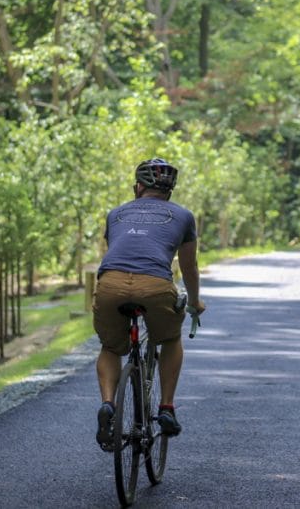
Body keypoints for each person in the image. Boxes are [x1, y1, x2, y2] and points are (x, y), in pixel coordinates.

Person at [93, 158, 206, 450]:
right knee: (169, 337)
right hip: (155, 284)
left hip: (110, 283)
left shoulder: (115, 214)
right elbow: (189, 267)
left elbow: (120, 252)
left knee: (110, 347)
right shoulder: (183, 215)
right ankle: (166, 408)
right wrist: (194, 302)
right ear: (169, 191)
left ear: (138, 187)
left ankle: (107, 404)